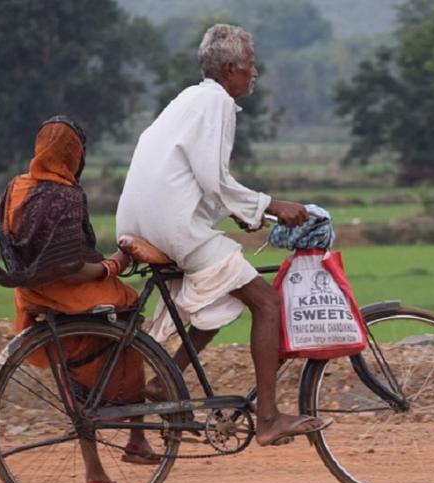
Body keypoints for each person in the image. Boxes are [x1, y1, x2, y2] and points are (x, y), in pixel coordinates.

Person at [116, 24, 331, 447]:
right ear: (231, 68)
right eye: (251, 66)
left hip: (143, 218)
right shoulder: (215, 103)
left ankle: (167, 378)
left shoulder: (190, 99)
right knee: (267, 302)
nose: (255, 74)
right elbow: (213, 178)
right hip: (171, 225)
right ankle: (268, 418)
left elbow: (190, 179)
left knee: (228, 288)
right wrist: (272, 205)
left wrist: (243, 212)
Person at [0, 116, 159, 483]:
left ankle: (96, 474)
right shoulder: (64, 195)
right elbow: (74, 269)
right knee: (130, 313)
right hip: (70, 291)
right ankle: (137, 436)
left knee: (71, 369)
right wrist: (115, 264)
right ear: (75, 156)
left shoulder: (17, 187)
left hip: (33, 296)